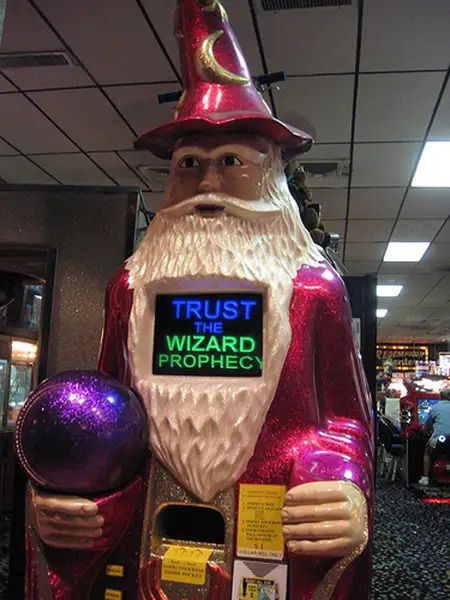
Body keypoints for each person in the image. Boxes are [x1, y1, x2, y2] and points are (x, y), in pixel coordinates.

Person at [25, 1, 374, 598]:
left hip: (273, 529)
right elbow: (112, 414)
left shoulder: (313, 289)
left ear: (271, 174)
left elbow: (347, 418)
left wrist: (343, 481)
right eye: (189, 164)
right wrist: (80, 493)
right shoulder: (132, 286)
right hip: (149, 527)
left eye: (230, 162)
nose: (207, 183)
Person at [419, 388, 450, 486]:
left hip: (440, 440)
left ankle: (425, 477)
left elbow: (427, 427)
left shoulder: (435, 408)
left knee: (427, 452)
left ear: (440, 397)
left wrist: (425, 432)